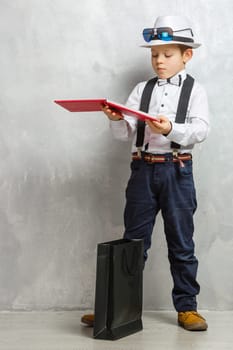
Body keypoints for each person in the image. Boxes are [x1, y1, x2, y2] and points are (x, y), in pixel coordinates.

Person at [81, 15, 209, 331]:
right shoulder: (142, 89)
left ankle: (187, 308)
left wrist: (170, 128)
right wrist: (115, 118)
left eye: (167, 54)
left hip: (177, 172)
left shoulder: (195, 91)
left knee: (182, 244)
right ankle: (117, 308)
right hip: (142, 170)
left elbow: (201, 130)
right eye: (154, 55)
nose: (159, 61)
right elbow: (124, 134)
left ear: (186, 55)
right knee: (133, 243)